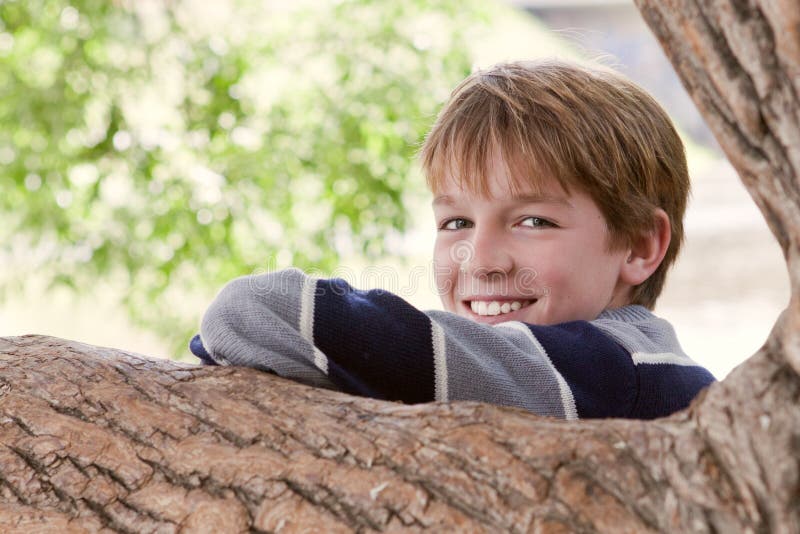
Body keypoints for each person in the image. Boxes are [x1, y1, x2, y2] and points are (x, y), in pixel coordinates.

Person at [189, 59, 715, 419]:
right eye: (456, 223)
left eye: (533, 221)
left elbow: (252, 312)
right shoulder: (609, 369)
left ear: (641, 246)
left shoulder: (617, 372)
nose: (480, 260)